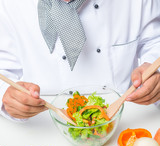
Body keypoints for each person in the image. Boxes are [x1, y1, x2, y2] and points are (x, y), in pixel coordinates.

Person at [0, 0, 160, 120]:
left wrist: (155, 71)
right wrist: (7, 97)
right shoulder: (8, 5)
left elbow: (154, 41)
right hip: (41, 123)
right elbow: (3, 70)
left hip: (129, 115)